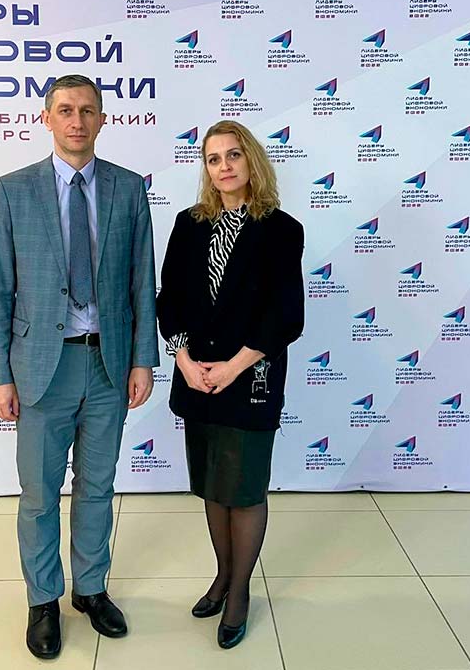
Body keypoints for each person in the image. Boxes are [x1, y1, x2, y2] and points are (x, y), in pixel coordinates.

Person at [0, 74, 159, 659]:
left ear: (103, 119)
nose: (76, 120)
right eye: (65, 110)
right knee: (39, 495)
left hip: (108, 364)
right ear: (46, 118)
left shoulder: (128, 189)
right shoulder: (13, 191)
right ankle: (43, 600)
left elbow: (141, 282)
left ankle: (90, 589)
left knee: (97, 487)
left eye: (87, 110)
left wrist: (143, 359)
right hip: (40, 369)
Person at [156, 120, 304, 649]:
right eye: (213, 158)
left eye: (233, 155)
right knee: (213, 486)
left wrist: (234, 366)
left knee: (244, 489)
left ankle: (239, 591)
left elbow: (286, 315)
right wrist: (183, 359)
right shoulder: (189, 224)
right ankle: (222, 575)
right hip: (197, 378)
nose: (224, 166)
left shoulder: (281, 229)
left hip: (250, 377)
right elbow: (169, 298)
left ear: (252, 160)